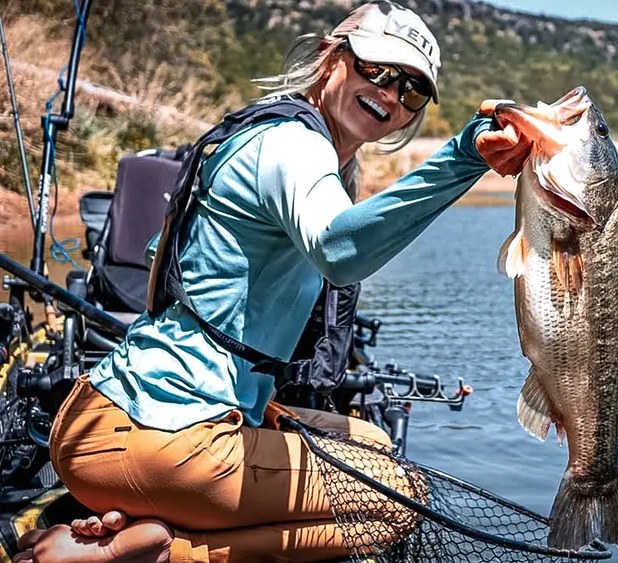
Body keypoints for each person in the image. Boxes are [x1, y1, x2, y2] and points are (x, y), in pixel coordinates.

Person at [12, 2, 530, 561]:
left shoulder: (271, 136)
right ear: (333, 59)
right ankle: (161, 553)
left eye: (411, 90)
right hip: (162, 437)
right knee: (401, 499)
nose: (389, 94)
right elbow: (339, 247)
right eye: (377, 70)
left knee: (374, 445)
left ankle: (128, 518)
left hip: (101, 420)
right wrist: (461, 159)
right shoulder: (293, 145)